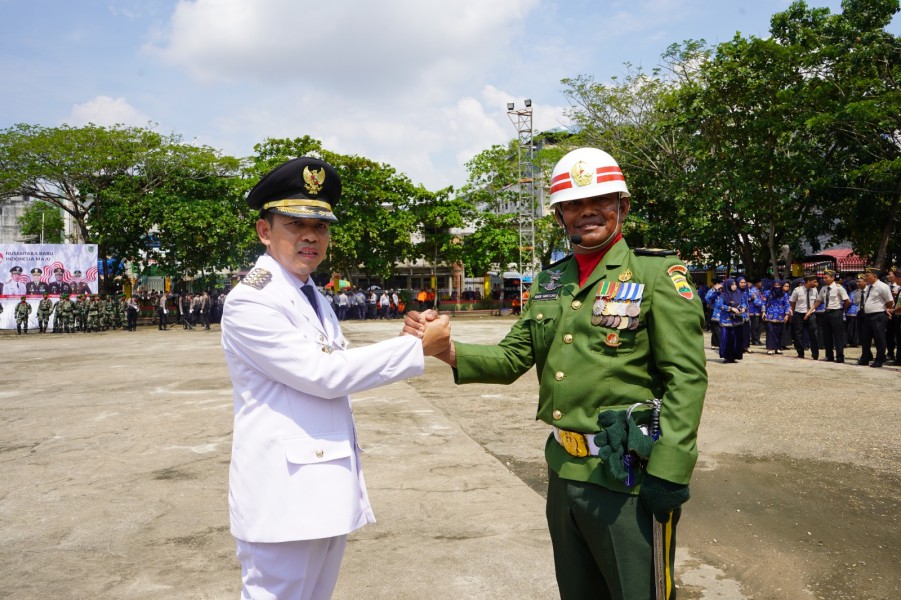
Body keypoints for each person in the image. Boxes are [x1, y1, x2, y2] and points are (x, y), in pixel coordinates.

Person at [407, 147, 707, 600]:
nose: (587, 211)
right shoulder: (551, 281)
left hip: (627, 477)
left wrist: (671, 470)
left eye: (601, 200)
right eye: (572, 204)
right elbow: (511, 358)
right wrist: (445, 349)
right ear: (560, 215)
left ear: (621, 206)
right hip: (564, 472)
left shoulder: (657, 274)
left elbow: (686, 377)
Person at [220, 156, 450, 600]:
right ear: (265, 231)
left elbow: (334, 359)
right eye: (294, 223)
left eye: (320, 226)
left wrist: (403, 338)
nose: (310, 235)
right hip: (283, 496)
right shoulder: (252, 301)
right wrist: (414, 348)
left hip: (320, 486)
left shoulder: (309, 293)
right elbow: (323, 374)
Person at [857, 267, 895, 368]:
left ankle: (879, 359)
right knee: (865, 338)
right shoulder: (869, 286)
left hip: (878, 315)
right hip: (868, 316)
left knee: (879, 338)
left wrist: (888, 310)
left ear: (874, 276)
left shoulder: (882, 286)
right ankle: (865, 358)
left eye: (867, 276)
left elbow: (890, 301)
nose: (866, 277)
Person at [815, 268, 850, 363]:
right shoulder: (823, 288)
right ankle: (829, 355)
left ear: (832, 278)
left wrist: (842, 310)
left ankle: (839, 356)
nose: (824, 279)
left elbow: (847, 301)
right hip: (826, 312)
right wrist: (811, 310)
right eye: (824, 278)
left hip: (836, 312)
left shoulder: (839, 288)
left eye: (826, 277)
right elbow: (818, 301)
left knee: (838, 335)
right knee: (826, 335)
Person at [789, 274, 820, 360]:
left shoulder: (815, 290)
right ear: (808, 282)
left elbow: (816, 301)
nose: (816, 283)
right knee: (798, 334)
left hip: (811, 313)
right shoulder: (797, 290)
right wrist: (795, 310)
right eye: (814, 282)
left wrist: (810, 311)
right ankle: (800, 353)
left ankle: (815, 354)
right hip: (799, 313)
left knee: (813, 333)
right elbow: (792, 301)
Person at [718, 278, 746, 363]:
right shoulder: (723, 294)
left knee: (736, 338)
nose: (734, 286)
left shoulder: (739, 293)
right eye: (732, 285)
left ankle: (734, 356)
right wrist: (730, 308)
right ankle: (727, 357)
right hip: (726, 320)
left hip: (737, 319)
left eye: (735, 284)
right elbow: (719, 305)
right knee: (727, 338)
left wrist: (743, 308)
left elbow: (743, 302)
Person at [763, 279, 791, 355]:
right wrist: (763, 312)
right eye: (775, 285)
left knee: (779, 333)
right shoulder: (768, 293)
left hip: (781, 316)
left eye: (779, 285)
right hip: (770, 315)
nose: (777, 287)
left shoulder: (784, 294)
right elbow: (763, 303)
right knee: (770, 332)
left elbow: (787, 304)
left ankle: (777, 348)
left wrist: (787, 314)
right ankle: (770, 348)